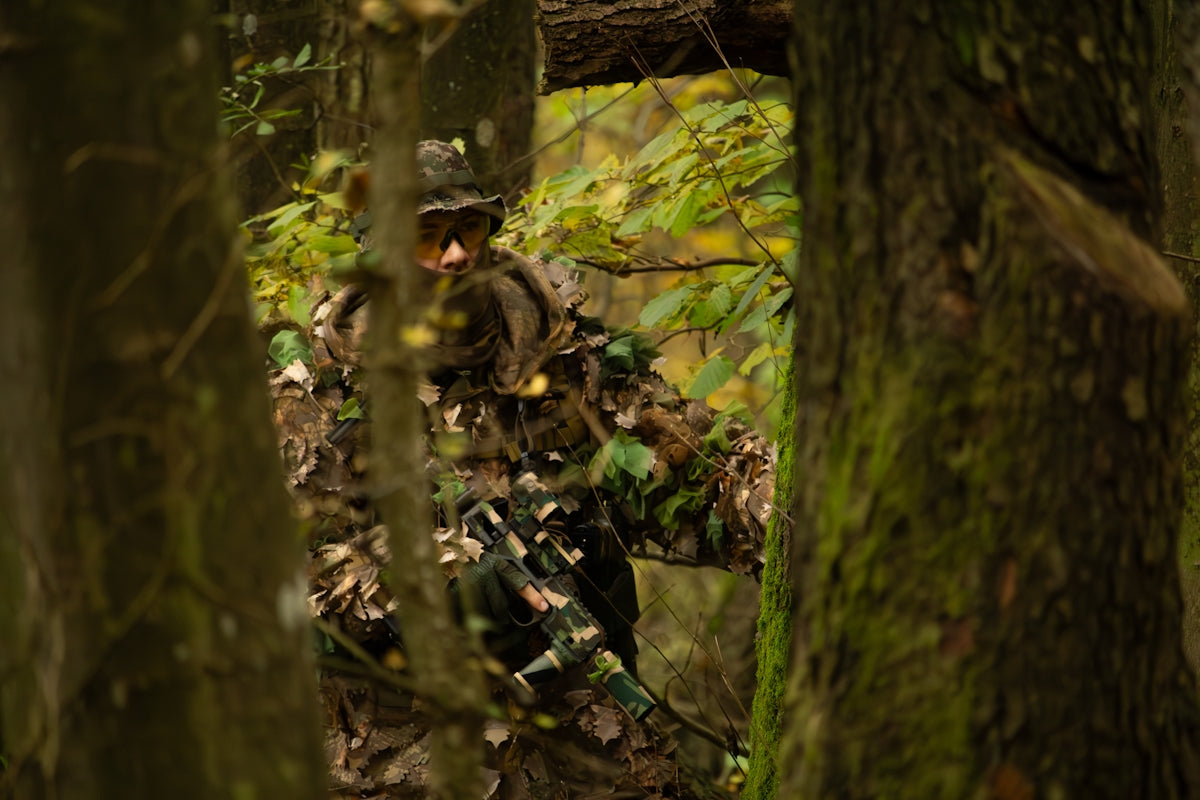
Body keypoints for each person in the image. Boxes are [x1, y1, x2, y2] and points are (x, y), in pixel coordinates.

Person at [272, 140, 775, 794]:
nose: (455, 254)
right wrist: (418, 582)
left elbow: (699, 475)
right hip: (401, 745)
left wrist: (787, 503)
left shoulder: (561, 358)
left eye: (468, 228)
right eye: (427, 236)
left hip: (580, 715)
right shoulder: (314, 394)